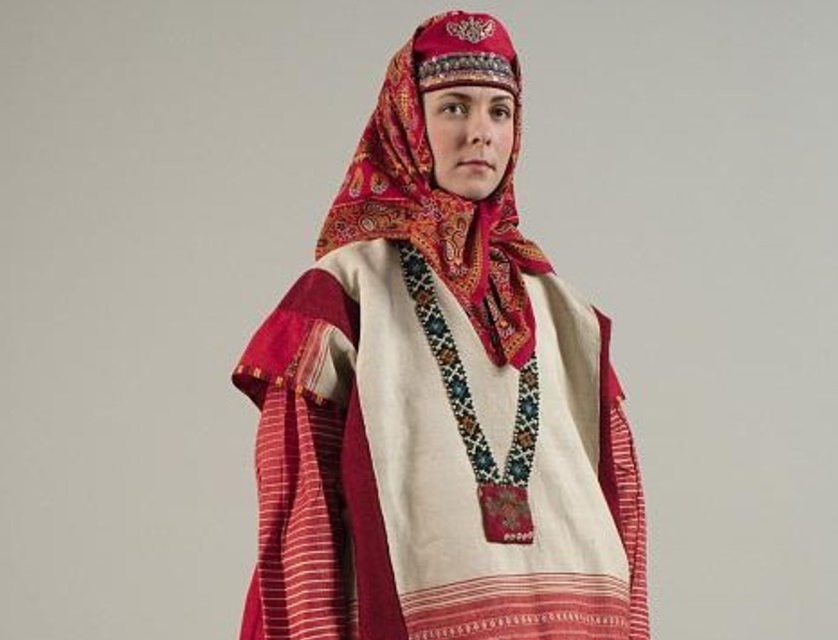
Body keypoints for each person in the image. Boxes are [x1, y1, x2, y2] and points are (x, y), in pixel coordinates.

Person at [232, 11, 649, 640]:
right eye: (454, 107)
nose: (480, 132)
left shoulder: (563, 310)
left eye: (499, 111)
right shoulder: (346, 291)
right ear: (407, 121)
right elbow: (301, 513)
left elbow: (623, 506)